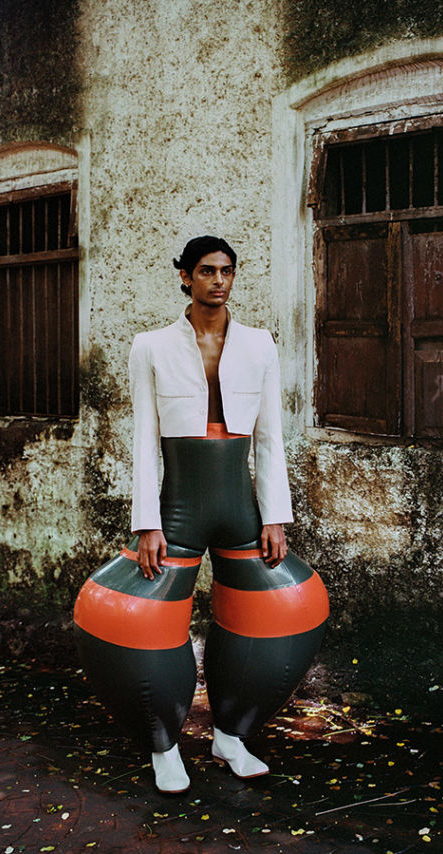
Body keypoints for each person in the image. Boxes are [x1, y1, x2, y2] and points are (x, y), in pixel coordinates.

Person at [74, 236, 328, 793]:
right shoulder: (151, 346)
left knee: (278, 611)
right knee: (141, 617)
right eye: (208, 271)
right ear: (186, 277)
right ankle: (163, 746)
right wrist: (147, 523)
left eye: (227, 271)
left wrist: (274, 516)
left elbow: (270, 437)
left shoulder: (259, 344)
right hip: (178, 510)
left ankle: (231, 737)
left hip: (241, 509)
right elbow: (144, 440)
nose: (219, 280)